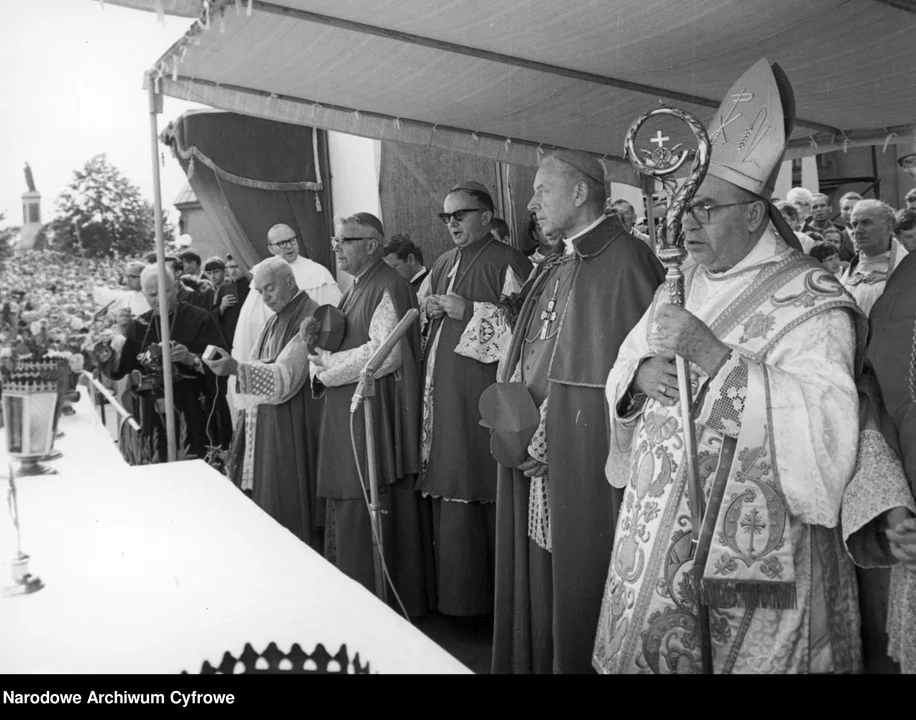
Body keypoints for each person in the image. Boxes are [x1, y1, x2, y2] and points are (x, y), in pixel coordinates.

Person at [593, 59, 866, 675]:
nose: (686, 223)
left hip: (753, 544)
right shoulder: (681, 279)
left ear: (753, 213)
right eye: (683, 208)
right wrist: (635, 383)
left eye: (706, 209)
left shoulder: (812, 297)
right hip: (660, 533)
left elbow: (828, 427)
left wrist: (714, 358)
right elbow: (627, 364)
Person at [492, 150, 665, 674]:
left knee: (581, 571)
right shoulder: (559, 260)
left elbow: (629, 375)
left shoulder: (628, 259)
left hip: (584, 455)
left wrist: (551, 441)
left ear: (580, 192)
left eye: (542, 191)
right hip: (539, 449)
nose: (531, 204)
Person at [310, 212, 435, 617]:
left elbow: (386, 352)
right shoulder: (358, 286)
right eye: (336, 240)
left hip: (374, 412)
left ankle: (377, 605)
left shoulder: (389, 284)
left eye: (346, 240)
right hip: (355, 406)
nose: (338, 248)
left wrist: (328, 367)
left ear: (372, 244)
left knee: (370, 497)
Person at [418, 181, 531, 617]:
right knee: (451, 480)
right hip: (445, 395)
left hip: (488, 397)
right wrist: (430, 312)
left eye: (460, 215)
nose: (452, 225)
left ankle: (493, 604)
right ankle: (456, 601)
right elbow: (427, 317)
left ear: (485, 216)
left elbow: (529, 331)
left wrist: (469, 311)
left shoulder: (509, 261)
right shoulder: (443, 262)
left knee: (481, 483)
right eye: (446, 218)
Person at [204, 257, 325, 550]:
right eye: (259, 292)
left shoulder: (311, 316)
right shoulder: (274, 320)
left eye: (269, 289)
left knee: (289, 510)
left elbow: (287, 378)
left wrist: (236, 369)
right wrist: (235, 364)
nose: (265, 298)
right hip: (269, 423)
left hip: (292, 424)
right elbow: (258, 362)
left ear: (290, 282)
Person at [840, 250, 916, 674]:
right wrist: (896, 507)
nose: (690, 228)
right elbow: (877, 399)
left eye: (707, 210)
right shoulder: (907, 282)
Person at [101, 264, 231, 461]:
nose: (158, 299)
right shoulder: (141, 325)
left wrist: (191, 358)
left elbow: (222, 362)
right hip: (155, 416)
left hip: (196, 411)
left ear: (176, 287)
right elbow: (119, 370)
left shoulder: (201, 318)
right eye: (151, 294)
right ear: (144, 294)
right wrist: (119, 337)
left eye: (164, 292)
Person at [231, 223, 341, 368]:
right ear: (271, 248)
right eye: (282, 243)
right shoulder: (263, 273)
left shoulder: (318, 273)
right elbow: (249, 324)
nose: (289, 246)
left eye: (292, 240)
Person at [841, 199, 908, 317]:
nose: (858, 230)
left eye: (866, 223)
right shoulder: (850, 272)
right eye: (855, 224)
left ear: (890, 226)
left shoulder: (908, 269)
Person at [205, 256, 250, 347]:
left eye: (236, 266)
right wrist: (221, 307)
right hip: (229, 339)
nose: (233, 271)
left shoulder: (252, 286)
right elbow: (213, 318)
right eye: (230, 267)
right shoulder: (224, 288)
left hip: (247, 334)